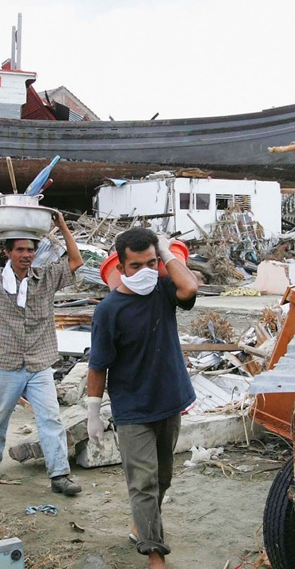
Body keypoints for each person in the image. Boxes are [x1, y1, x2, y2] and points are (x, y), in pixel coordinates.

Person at [85, 227, 198, 569]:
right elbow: (98, 365)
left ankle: (141, 525)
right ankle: (154, 553)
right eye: (136, 266)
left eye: (151, 263)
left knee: (162, 479)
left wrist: (164, 251)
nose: (145, 272)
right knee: (143, 482)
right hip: (132, 409)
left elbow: (190, 287)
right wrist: (93, 412)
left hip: (169, 400)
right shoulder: (109, 310)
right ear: (120, 267)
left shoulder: (163, 290)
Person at [0, 205, 84, 495]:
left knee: (50, 418)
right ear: (8, 252)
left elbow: (76, 261)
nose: (26, 255)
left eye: (30, 250)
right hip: (5, 363)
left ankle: (59, 475)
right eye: (20, 250)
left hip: (39, 363)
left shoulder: (46, 277)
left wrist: (62, 225)